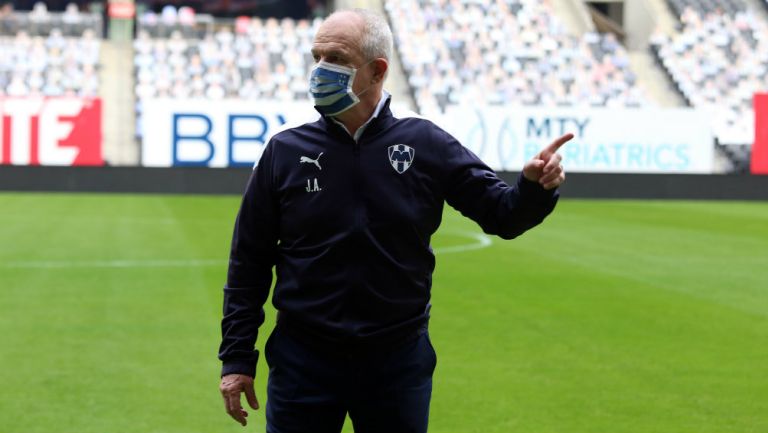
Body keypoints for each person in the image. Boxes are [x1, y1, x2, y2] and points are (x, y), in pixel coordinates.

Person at [218, 8, 570, 433]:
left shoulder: (426, 143)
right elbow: (248, 262)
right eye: (316, 57)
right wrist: (237, 358)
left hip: (396, 362)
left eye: (335, 58)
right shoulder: (284, 151)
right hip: (302, 361)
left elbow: (504, 215)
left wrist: (535, 188)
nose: (319, 70)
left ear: (377, 70)